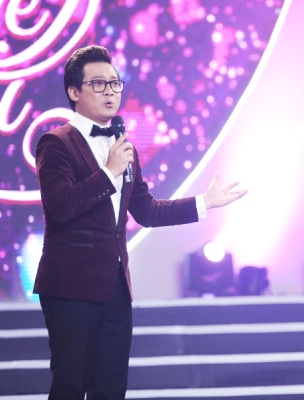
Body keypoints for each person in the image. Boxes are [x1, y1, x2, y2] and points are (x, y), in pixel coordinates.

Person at [33, 45, 247, 399]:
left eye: (114, 83)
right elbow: (60, 207)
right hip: (70, 288)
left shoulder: (124, 148)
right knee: (69, 386)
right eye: (98, 84)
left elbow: (146, 211)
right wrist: (108, 172)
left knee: (111, 388)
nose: (109, 92)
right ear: (74, 92)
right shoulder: (56, 143)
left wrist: (204, 203)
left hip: (116, 288)